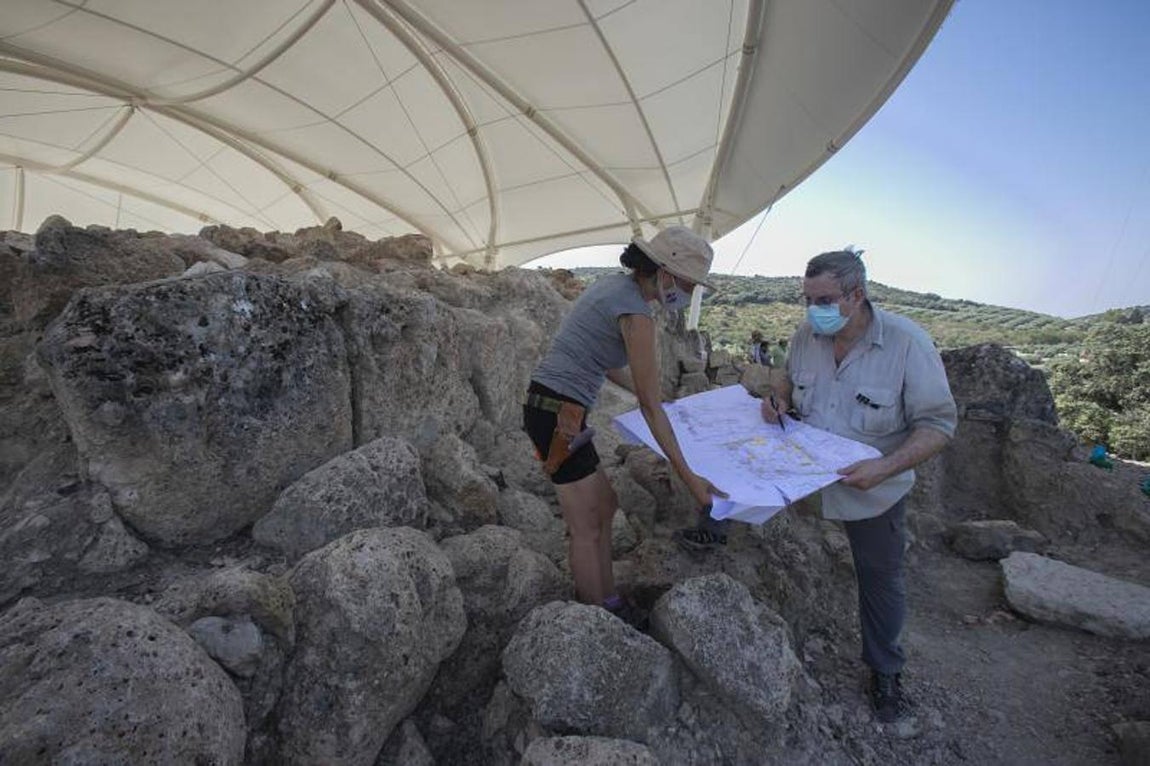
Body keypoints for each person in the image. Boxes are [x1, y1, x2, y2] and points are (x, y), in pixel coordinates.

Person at [761, 248, 956, 722]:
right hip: (804, 474)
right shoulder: (806, 334)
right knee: (734, 491)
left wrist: (886, 468)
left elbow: (938, 425)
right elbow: (787, 378)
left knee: (880, 578)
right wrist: (778, 398)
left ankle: (885, 672)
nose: (813, 310)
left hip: (872, 487)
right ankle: (710, 531)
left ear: (857, 295)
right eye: (807, 299)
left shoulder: (908, 345)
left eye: (824, 299)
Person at [523, 226, 728, 617]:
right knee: (587, 527)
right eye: (687, 283)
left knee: (605, 504)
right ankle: (596, 616)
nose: (687, 293)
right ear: (665, 272)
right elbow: (652, 411)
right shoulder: (637, 314)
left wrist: (653, 395)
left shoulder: (616, 289)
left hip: (554, 409)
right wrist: (691, 479)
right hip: (557, 414)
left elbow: (610, 364)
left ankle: (609, 601)